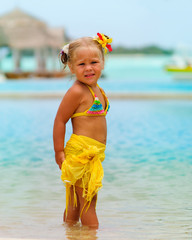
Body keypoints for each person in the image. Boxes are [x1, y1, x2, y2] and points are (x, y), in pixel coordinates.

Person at [53, 33, 112, 229]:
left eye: (94, 62)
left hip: (91, 153)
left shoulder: (97, 89)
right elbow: (60, 120)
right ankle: (92, 234)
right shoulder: (77, 91)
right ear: (71, 67)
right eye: (81, 64)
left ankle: (70, 233)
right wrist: (59, 151)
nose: (88, 68)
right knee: (89, 202)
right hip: (82, 154)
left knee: (75, 202)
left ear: (102, 62)